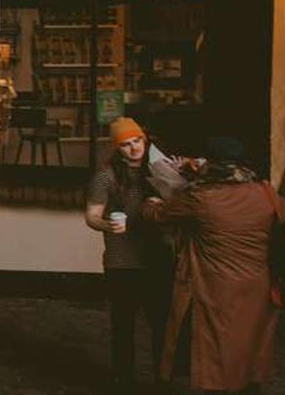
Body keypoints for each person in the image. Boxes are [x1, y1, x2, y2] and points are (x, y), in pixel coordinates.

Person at [145, 137, 283, 393]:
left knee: (217, 344)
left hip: (215, 284)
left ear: (212, 164)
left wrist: (151, 203)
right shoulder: (267, 192)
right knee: (250, 340)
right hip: (257, 282)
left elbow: (160, 215)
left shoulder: (201, 197)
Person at [83, 117, 173, 389]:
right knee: (123, 326)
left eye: (138, 141)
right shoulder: (105, 175)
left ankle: (163, 378)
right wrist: (108, 223)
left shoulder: (162, 170)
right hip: (122, 262)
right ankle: (124, 379)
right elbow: (91, 216)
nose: (134, 148)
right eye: (126, 145)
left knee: (163, 325)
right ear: (116, 149)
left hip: (158, 258)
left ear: (145, 140)